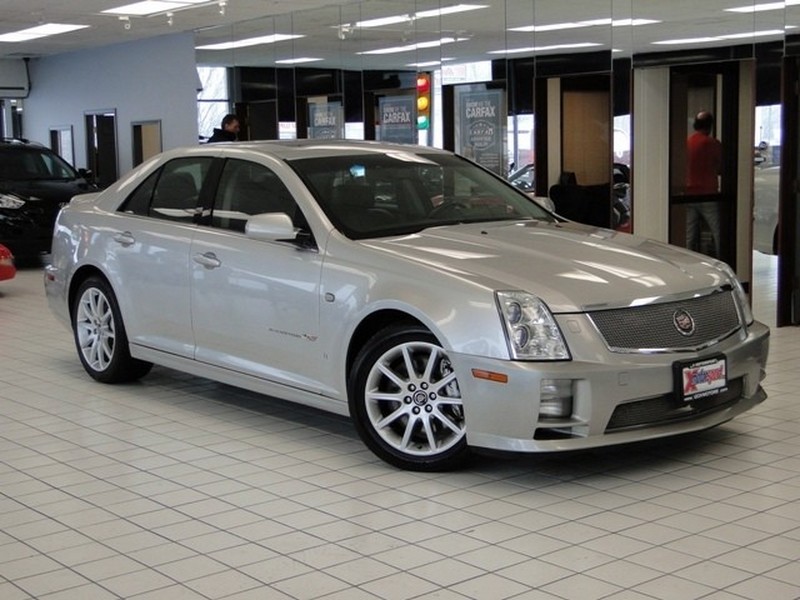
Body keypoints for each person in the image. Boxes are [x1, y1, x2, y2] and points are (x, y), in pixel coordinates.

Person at [685, 110, 722, 257]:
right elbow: (721, 167)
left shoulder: (687, 143)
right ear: (710, 126)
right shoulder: (713, 144)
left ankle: (687, 262)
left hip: (689, 193)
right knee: (717, 231)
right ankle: (722, 260)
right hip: (708, 194)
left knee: (689, 234)